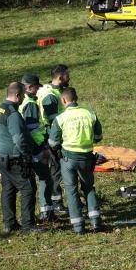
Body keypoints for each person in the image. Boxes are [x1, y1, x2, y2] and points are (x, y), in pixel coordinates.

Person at [48, 87, 104, 235]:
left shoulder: (60, 119)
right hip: (86, 158)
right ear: (76, 98)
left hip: (68, 159)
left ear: (64, 100)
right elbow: (98, 137)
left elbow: (53, 143)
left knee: (72, 191)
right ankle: (96, 221)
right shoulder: (90, 115)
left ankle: (79, 227)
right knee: (88, 188)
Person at [0, 82, 43, 235]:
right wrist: (27, 154)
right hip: (14, 158)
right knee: (28, 188)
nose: (23, 100)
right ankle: (28, 226)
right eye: (22, 96)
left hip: (1, 156)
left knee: (8, 189)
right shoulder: (13, 114)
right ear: (17, 95)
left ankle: (10, 224)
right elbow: (19, 139)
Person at [19, 73, 56, 222]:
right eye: (35, 88)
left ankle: (33, 215)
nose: (37, 91)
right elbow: (33, 129)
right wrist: (43, 147)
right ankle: (46, 212)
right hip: (36, 148)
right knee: (46, 179)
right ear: (29, 87)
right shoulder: (30, 104)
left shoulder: (21, 101)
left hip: (25, 148)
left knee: (30, 184)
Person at [37, 64, 70, 212]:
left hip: (56, 134)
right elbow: (51, 118)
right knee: (56, 170)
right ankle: (56, 202)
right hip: (52, 136)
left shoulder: (55, 90)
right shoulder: (50, 95)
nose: (69, 78)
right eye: (67, 75)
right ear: (60, 77)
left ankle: (56, 201)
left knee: (57, 169)